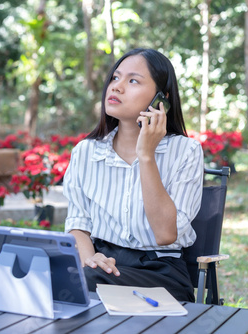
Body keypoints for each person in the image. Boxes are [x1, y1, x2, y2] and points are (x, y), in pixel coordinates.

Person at [62, 48, 203, 302]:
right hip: (103, 265)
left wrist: (146, 155)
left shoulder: (185, 151)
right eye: (115, 78)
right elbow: (78, 225)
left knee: (80, 283)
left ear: (162, 99)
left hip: (160, 273)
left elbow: (165, 234)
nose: (116, 87)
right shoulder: (86, 152)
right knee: (58, 274)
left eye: (133, 80)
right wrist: (90, 258)